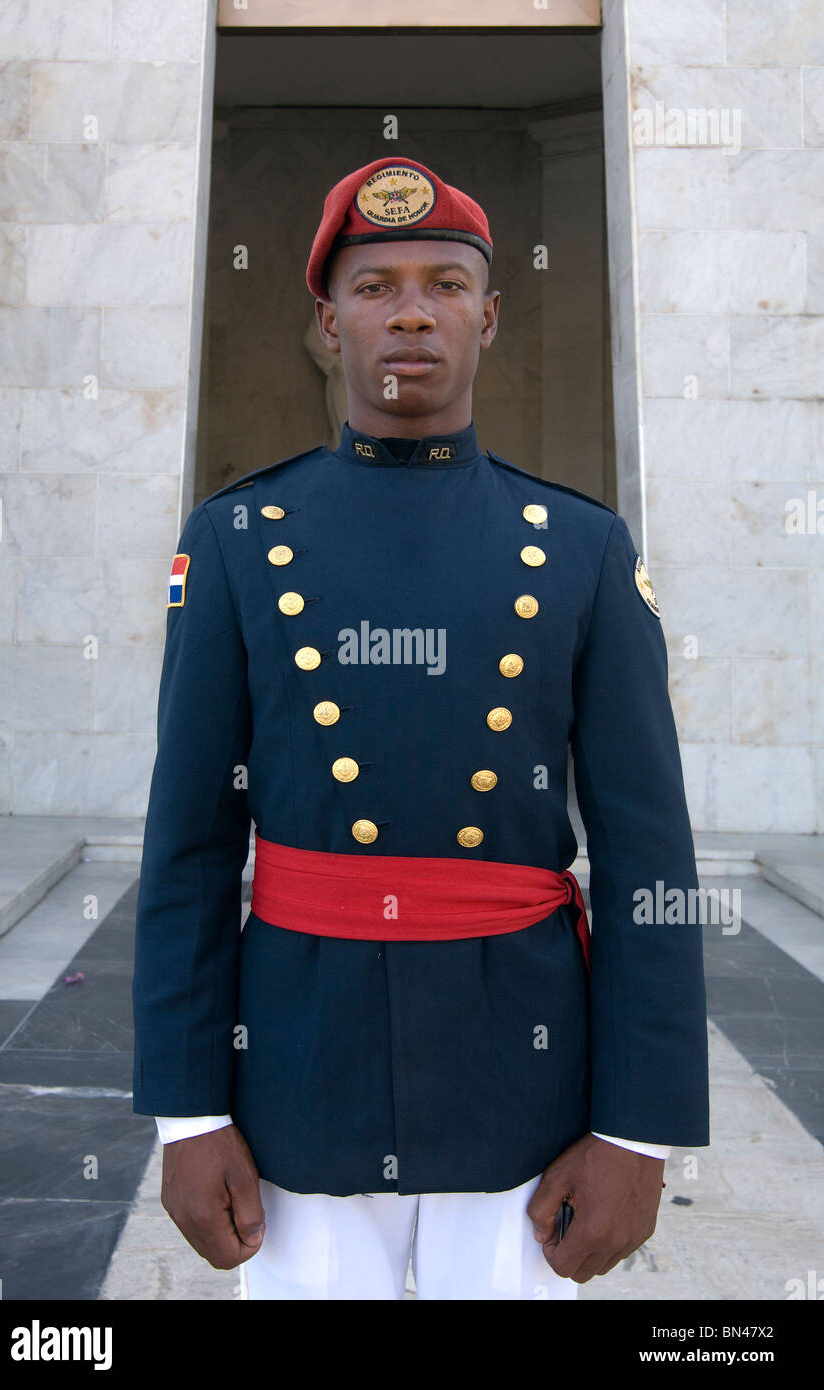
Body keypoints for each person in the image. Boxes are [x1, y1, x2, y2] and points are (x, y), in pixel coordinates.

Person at [131, 156, 709, 1300]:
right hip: (298, 1068)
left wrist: (638, 1133)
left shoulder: (581, 550)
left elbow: (651, 861)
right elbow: (189, 846)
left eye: (444, 283)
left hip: (523, 1078)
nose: (408, 310)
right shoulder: (242, 538)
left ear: (487, 319)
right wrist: (188, 1112)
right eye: (373, 284)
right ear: (324, 321)